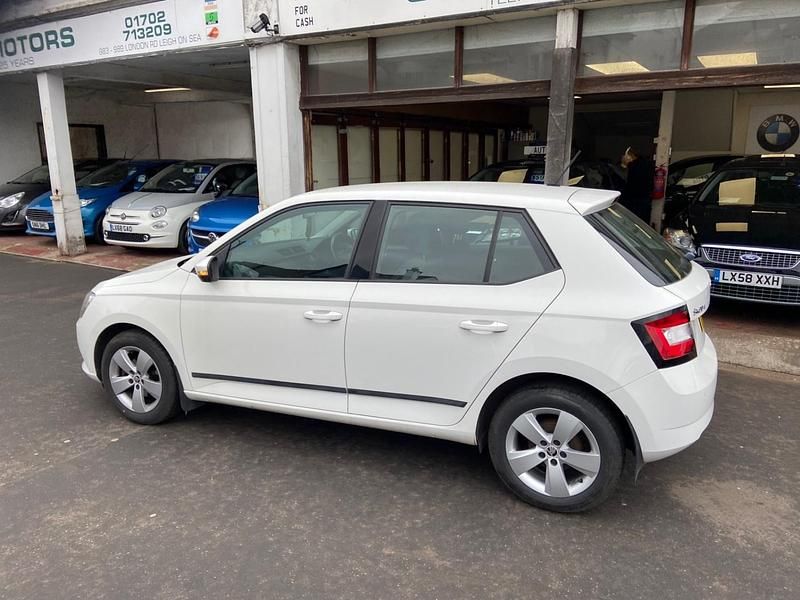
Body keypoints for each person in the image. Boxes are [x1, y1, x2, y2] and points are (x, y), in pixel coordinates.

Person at [620, 146, 655, 224]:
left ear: (631, 155)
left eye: (626, 155)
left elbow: (630, 183)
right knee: (643, 220)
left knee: (634, 219)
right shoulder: (649, 164)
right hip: (645, 197)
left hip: (635, 198)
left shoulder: (633, 166)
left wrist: (624, 164)